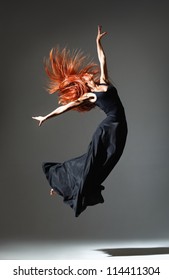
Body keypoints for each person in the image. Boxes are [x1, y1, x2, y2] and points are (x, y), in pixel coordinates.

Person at [32, 25, 127, 217]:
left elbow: (103, 59)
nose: (88, 74)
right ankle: (62, 185)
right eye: (85, 76)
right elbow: (65, 107)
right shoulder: (89, 96)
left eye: (87, 74)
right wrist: (46, 117)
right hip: (107, 128)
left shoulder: (104, 82)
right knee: (91, 161)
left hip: (120, 127)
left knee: (107, 162)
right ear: (83, 82)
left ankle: (65, 186)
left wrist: (97, 42)